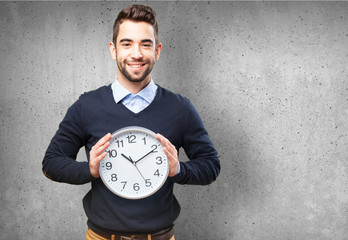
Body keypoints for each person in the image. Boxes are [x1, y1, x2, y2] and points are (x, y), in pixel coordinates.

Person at [42, 4, 220, 240]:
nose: (136, 53)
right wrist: (90, 170)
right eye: (126, 44)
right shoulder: (87, 106)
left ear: (157, 51)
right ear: (113, 49)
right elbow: (51, 163)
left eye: (145, 44)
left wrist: (179, 169)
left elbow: (211, 166)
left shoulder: (180, 108)